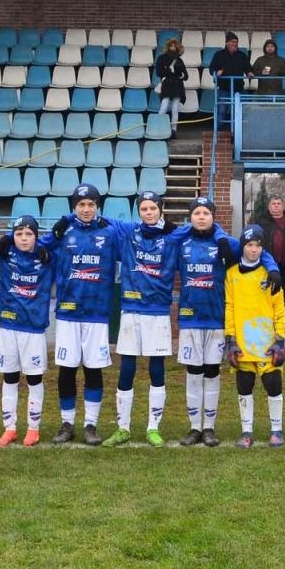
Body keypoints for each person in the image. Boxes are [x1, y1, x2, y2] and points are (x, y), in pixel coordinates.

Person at [175, 196, 277, 448]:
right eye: (196, 212)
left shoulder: (225, 242)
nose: (201, 217)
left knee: (212, 372)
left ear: (213, 216)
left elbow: (253, 249)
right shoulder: (180, 241)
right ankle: (194, 427)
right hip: (189, 319)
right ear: (191, 216)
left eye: (206, 213)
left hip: (216, 319)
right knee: (193, 373)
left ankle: (209, 428)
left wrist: (272, 266)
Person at [106, 191, 193, 448]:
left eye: (152, 208)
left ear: (160, 209)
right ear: (139, 211)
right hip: (131, 310)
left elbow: (206, 227)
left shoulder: (172, 236)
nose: (148, 212)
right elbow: (98, 218)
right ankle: (123, 428)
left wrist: (169, 226)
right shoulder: (129, 231)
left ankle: (153, 428)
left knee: (157, 368)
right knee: (127, 368)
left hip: (157, 312)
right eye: (144, 209)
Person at [43, 183, 121, 445]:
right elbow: (34, 246)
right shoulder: (63, 233)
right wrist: (59, 226)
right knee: (66, 370)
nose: (86, 209)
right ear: (74, 207)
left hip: (97, 314)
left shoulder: (110, 233)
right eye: (81, 205)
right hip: (67, 313)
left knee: (93, 370)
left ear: (97, 206)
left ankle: (90, 425)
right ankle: (67, 423)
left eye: (90, 204)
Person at [0, 215, 54, 448]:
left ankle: (33, 428)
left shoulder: (46, 257)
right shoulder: (6, 253)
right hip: (9, 327)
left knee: (34, 378)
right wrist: (6, 238)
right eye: (18, 234)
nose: (23, 238)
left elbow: (59, 241)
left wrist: (44, 246)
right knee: (9, 377)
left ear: (36, 236)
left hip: (34, 329)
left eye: (28, 234)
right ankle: (10, 428)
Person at [225, 225, 285, 448]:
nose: (254, 250)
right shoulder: (231, 274)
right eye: (249, 245)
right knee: (244, 384)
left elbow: (279, 307)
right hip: (242, 341)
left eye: (258, 246)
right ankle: (247, 431)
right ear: (242, 246)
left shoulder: (271, 274)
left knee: (272, 383)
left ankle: (277, 430)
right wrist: (230, 339)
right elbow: (229, 307)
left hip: (266, 340)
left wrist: (280, 339)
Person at [207, 31, 251, 131]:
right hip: (224, 88)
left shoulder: (242, 55)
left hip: (238, 89)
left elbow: (248, 68)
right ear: (227, 43)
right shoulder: (218, 55)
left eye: (236, 42)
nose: (234, 44)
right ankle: (217, 132)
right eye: (232, 41)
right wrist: (216, 72)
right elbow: (211, 69)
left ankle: (237, 132)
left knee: (238, 111)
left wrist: (250, 73)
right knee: (221, 110)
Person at [255, 193, 285, 284]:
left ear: (283, 206)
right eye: (273, 203)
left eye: (278, 204)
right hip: (267, 262)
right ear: (269, 206)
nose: (276, 206)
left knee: (284, 289)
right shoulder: (262, 221)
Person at [154, 38, 188, 120]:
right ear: (168, 47)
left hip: (177, 86)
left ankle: (174, 130)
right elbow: (158, 73)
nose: (173, 48)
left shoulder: (179, 60)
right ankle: (157, 125)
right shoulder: (161, 58)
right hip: (167, 85)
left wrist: (181, 75)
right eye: (171, 46)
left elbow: (186, 76)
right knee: (164, 106)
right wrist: (169, 71)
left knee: (175, 109)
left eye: (175, 46)